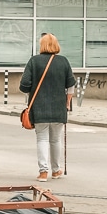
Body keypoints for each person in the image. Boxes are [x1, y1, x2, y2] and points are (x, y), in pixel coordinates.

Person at [19, 33, 76, 182]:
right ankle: (56, 170)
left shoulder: (34, 61)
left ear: (42, 45)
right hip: (59, 107)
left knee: (42, 139)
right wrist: (68, 102)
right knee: (56, 140)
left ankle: (43, 172)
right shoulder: (63, 61)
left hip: (39, 107)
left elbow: (24, 86)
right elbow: (71, 85)